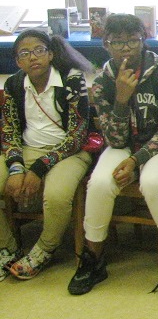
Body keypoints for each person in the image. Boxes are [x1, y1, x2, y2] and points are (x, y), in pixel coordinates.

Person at [68, 13, 158, 297]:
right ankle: (93, 258)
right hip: (123, 145)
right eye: (117, 43)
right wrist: (121, 98)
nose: (125, 48)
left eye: (132, 41)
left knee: (152, 182)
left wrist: (136, 161)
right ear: (106, 45)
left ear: (143, 41)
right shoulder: (102, 82)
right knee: (99, 183)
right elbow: (115, 139)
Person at [1, 30, 93, 280]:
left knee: (56, 196)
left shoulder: (72, 80)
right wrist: (17, 168)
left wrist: (39, 168)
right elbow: (8, 131)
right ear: (18, 61)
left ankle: (44, 249)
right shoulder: (13, 84)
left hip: (70, 153)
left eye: (39, 50)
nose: (33, 57)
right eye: (25, 53)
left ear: (51, 54)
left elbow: (77, 135)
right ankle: (7, 248)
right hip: (27, 151)